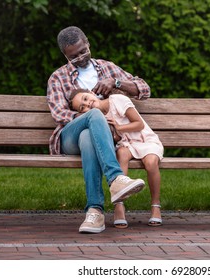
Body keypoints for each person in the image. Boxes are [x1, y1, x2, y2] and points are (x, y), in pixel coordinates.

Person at [46, 26, 151, 233]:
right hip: (69, 136)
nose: (81, 57)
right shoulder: (58, 77)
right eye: (74, 56)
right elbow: (59, 113)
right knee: (92, 116)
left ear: (88, 43)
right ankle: (116, 179)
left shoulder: (107, 68)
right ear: (65, 55)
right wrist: (92, 117)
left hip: (99, 139)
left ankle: (95, 212)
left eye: (83, 51)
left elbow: (144, 89)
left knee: (89, 137)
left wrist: (117, 82)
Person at [70, 89, 164, 227]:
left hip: (145, 141)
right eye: (82, 107)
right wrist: (115, 135)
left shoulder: (116, 100)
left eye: (85, 98)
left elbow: (139, 124)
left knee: (150, 163)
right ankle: (119, 206)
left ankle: (155, 206)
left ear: (91, 92)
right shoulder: (98, 118)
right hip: (126, 144)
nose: (87, 105)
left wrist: (118, 127)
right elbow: (116, 139)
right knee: (122, 154)